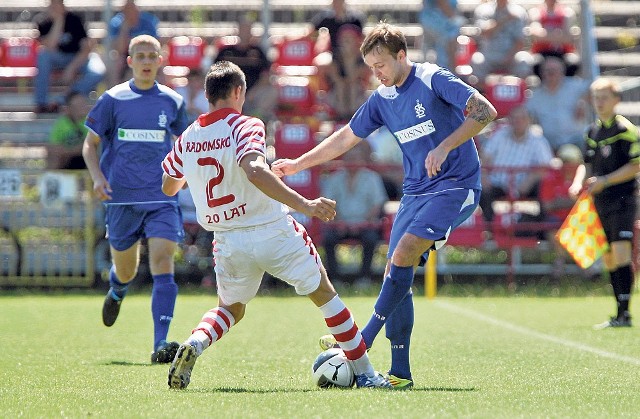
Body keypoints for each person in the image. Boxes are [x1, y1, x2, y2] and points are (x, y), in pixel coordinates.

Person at [272, 22, 498, 388]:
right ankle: (400, 374)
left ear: (401, 56)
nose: (376, 74)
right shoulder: (382, 98)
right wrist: (298, 164)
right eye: (371, 68)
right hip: (415, 193)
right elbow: (345, 136)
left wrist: (445, 146)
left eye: (381, 65)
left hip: (456, 187)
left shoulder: (432, 79)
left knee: (405, 252)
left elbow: (485, 111)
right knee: (396, 270)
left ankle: (363, 339)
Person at [161, 60, 391, 390]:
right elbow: (254, 169)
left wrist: (197, 176)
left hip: (226, 239)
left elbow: (169, 185)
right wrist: (305, 204)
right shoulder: (245, 125)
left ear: (208, 96)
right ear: (238, 92)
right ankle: (367, 373)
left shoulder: (188, 137)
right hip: (270, 229)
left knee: (230, 309)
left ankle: (195, 343)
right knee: (325, 295)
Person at [82, 35, 189, 363]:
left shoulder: (173, 101)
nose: (145, 61)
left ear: (161, 60)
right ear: (129, 61)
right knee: (126, 270)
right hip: (121, 199)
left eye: (151, 55)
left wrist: (182, 175)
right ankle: (117, 289)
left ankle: (161, 343)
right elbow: (90, 145)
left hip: (161, 197)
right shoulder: (113, 99)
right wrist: (98, 178)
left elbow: (184, 144)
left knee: (162, 262)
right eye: (139, 55)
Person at [569, 78, 640, 329]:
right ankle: (619, 314)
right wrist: (578, 182)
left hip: (623, 200)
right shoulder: (592, 132)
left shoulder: (626, 131)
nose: (599, 102)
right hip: (600, 201)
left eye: (604, 97)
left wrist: (606, 180)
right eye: (596, 97)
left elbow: (636, 165)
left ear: (616, 100)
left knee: (621, 252)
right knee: (609, 257)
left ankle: (625, 313)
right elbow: (585, 164)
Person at [478, 106, 554, 241]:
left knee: (543, 188)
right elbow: (485, 158)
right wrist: (484, 176)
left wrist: (531, 179)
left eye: (522, 118)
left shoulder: (538, 140)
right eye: (515, 118)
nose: (518, 122)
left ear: (529, 120)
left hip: (525, 185)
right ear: (509, 120)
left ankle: (540, 232)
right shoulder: (500, 135)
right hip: (498, 182)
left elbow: (546, 167)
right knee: (482, 191)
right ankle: (491, 231)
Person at [321, 141, 388, 283]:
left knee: (371, 238)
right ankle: (334, 279)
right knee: (327, 238)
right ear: (344, 160)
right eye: (349, 158)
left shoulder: (372, 178)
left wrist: (364, 223)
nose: (352, 162)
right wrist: (338, 222)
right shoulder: (334, 178)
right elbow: (328, 204)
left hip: (366, 224)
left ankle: (364, 278)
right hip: (339, 224)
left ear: (363, 160)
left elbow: (377, 205)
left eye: (356, 158)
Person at [33, 0, 105, 113]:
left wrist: (72, 67)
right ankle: (41, 103)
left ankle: (64, 99)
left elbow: (87, 47)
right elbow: (50, 46)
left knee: (98, 71)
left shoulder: (75, 19)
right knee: (42, 56)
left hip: (78, 58)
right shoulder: (42, 21)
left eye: (59, 3)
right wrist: (59, 20)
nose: (57, 6)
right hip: (57, 58)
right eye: (54, 4)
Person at [213, 16, 276, 120]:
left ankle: (255, 117)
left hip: (253, 94)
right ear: (237, 31)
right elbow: (214, 74)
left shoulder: (258, 52)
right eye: (242, 30)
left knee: (272, 91)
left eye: (247, 30)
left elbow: (266, 76)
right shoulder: (225, 52)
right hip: (230, 93)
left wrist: (252, 92)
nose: (245, 33)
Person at [525, 56, 590, 152]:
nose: (551, 73)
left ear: (562, 72)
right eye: (548, 70)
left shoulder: (575, 85)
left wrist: (583, 100)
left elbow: (594, 88)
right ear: (542, 73)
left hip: (576, 139)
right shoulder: (535, 96)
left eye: (555, 70)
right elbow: (526, 115)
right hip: (550, 142)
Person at [537, 143, 583, 278]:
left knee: (581, 227)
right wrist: (571, 202)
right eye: (564, 161)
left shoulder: (582, 177)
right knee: (554, 228)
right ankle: (563, 262)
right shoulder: (551, 178)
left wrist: (560, 202)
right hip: (557, 220)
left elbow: (587, 204)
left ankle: (582, 264)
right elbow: (547, 205)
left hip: (578, 220)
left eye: (571, 161)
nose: (567, 165)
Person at [471, 0, 533, 83]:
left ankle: (519, 93)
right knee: (477, 60)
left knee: (524, 59)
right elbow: (485, 33)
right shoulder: (483, 10)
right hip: (489, 55)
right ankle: (483, 92)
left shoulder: (519, 12)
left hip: (511, 55)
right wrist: (504, 19)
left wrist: (509, 57)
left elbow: (520, 41)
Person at [104, 0, 159, 87]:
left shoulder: (148, 21)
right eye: (127, 10)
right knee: (115, 61)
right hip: (126, 55)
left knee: (160, 59)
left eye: (133, 9)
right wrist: (124, 28)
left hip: (146, 53)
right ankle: (114, 93)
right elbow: (120, 49)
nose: (131, 12)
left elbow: (155, 44)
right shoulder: (116, 22)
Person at [528, 0, 580, 78]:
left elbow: (568, 38)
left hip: (562, 53)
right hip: (542, 53)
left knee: (573, 63)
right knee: (536, 64)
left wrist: (545, 34)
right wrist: (558, 34)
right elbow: (537, 36)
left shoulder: (567, 12)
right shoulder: (536, 12)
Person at [47, 91, 90, 170]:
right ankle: (51, 179)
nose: (83, 107)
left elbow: (90, 145)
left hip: (85, 156)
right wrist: (69, 151)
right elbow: (53, 146)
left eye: (83, 104)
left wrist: (68, 151)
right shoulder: (61, 123)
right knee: (53, 156)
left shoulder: (92, 122)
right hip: (67, 158)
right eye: (78, 106)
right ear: (70, 108)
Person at [419, 0, 466, 70]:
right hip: (438, 20)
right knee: (445, 54)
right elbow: (442, 3)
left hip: (431, 18)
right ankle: (446, 73)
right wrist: (453, 18)